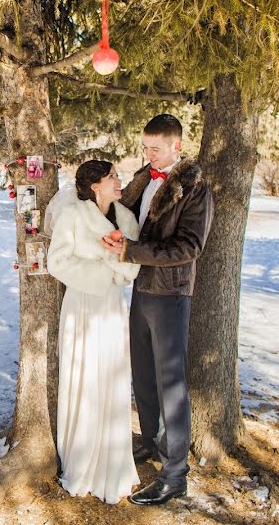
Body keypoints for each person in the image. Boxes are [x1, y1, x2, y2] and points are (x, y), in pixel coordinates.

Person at [103, 114, 214, 506]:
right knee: (144, 376)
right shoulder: (142, 178)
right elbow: (116, 211)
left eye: (155, 149)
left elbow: (189, 247)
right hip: (141, 289)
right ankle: (151, 442)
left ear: (176, 147)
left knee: (171, 386)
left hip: (171, 295)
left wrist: (131, 252)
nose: (147, 155)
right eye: (145, 147)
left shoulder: (195, 188)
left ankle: (175, 475)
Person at [45, 160, 142, 504]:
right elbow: (56, 261)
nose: (120, 181)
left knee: (112, 378)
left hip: (114, 305)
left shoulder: (127, 219)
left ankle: (113, 462)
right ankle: (82, 459)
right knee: (85, 375)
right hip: (84, 303)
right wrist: (101, 270)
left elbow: (134, 261)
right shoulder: (73, 215)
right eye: (113, 177)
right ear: (95, 186)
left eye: (117, 175)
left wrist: (119, 267)